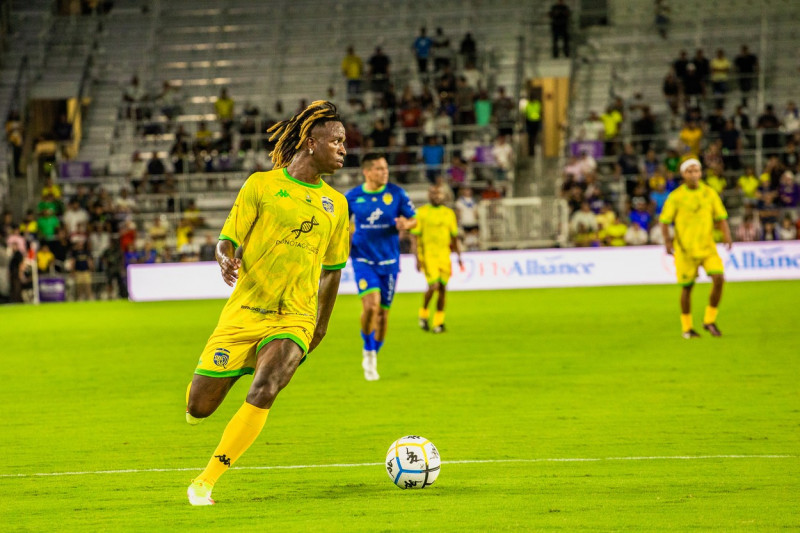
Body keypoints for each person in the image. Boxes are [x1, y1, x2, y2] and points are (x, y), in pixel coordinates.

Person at [185, 101, 350, 506]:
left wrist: (321, 324)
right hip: (244, 313)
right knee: (199, 406)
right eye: (337, 141)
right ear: (311, 143)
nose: (344, 149)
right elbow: (228, 238)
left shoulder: (337, 205)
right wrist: (225, 256)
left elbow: (332, 270)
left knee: (266, 386)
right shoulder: (260, 185)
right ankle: (210, 391)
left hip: (294, 316)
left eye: (345, 143)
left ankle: (205, 481)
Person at [345, 153, 417, 381]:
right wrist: (345, 238)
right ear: (366, 172)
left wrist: (407, 223)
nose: (384, 172)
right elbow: (340, 224)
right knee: (371, 307)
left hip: (390, 261)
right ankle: (367, 349)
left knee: (383, 316)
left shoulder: (396, 194)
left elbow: (414, 219)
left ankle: (373, 353)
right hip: (363, 259)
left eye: (385, 168)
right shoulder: (352, 197)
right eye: (378, 169)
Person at [659, 158, 732, 339]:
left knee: (719, 278)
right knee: (687, 288)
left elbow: (721, 217)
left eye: (696, 171)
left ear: (701, 173)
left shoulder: (709, 193)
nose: (694, 174)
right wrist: (668, 242)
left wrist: (727, 235)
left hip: (707, 247)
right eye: (690, 171)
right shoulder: (676, 196)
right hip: (685, 250)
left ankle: (709, 320)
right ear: (683, 174)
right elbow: (664, 221)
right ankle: (687, 328)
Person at [410, 185, 463, 334]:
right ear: (429, 195)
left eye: (439, 193)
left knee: (443, 289)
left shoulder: (449, 214)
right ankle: (424, 313)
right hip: (428, 256)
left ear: (443, 195)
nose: (436, 196)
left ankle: (438, 323)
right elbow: (415, 236)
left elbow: (454, 237)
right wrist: (416, 257)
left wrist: (459, 256)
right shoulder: (421, 213)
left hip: (444, 256)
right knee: (433, 286)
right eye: (433, 193)